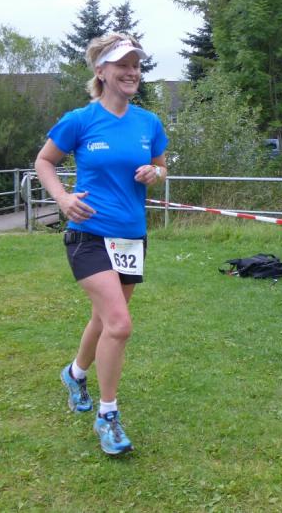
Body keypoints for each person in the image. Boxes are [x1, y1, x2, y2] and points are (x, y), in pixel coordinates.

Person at [34, 33, 168, 456]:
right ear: (101, 71)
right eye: (122, 65)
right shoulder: (80, 120)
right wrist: (62, 198)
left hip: (131, 236)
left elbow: (161, 167)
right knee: (120, 324)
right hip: (88, 234)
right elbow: (44, 161)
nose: (132, 72)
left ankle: (75, 374)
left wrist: (155, 174)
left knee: (104, 319)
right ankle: (108, 416)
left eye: (136, 65)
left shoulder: (148, 123)